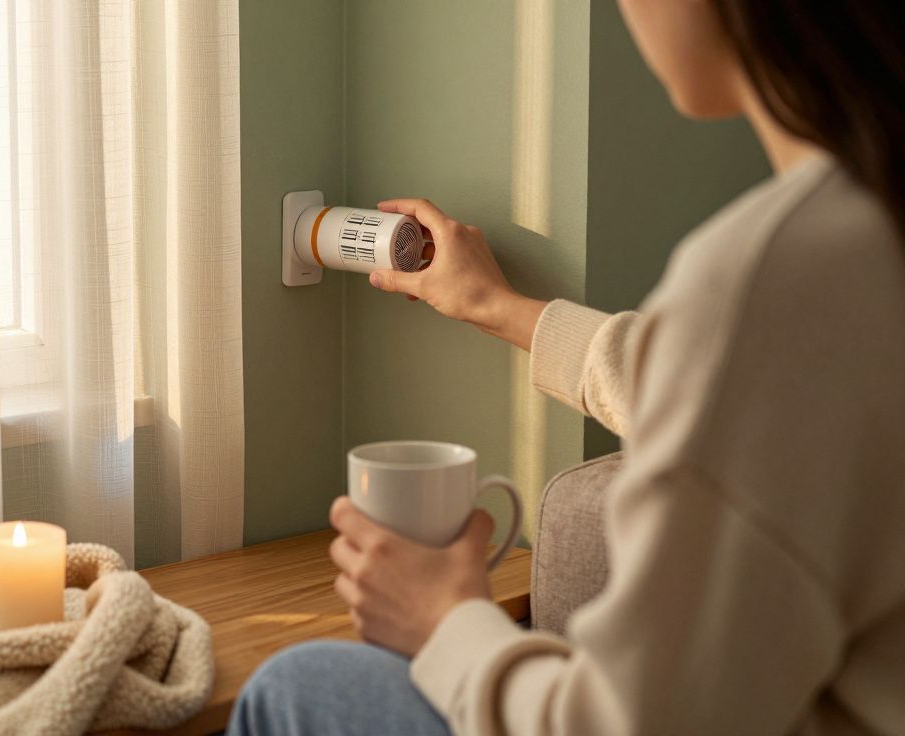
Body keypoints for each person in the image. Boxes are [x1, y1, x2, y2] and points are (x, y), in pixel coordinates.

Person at [229, 1, 905, 734]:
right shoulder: (858, 250)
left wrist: (447, 620)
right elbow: (741, 397)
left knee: (298, 684)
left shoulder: (771, 276)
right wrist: (495, 304)